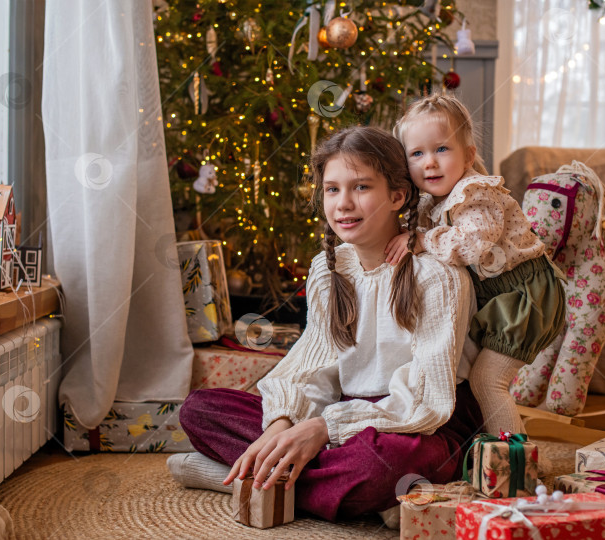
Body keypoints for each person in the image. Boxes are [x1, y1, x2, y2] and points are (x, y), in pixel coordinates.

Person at [171, 126, 483, 525]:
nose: (344, 204)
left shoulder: (436, 276)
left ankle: (234, 477)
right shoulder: (327, 269)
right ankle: (310, 479)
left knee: (378, 465)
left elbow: (426, 403)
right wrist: (283, 424)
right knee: (200, 409)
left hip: (422, 423)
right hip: (345, 414)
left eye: (361, 188)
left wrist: (324, 428)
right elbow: (312, 365)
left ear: (397, 196)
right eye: (332, 189)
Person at [386, 94, 565, 436]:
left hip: (524, 296)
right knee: (470, 373)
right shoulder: (433, 201)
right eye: (417, 154)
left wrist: (423, 241)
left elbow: (473, 241)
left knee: (488, 380)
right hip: (498, 297)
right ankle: (476, 442)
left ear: (468, 155)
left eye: (442, 149)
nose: (430, 164)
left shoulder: (474, 193)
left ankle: (517, 462)